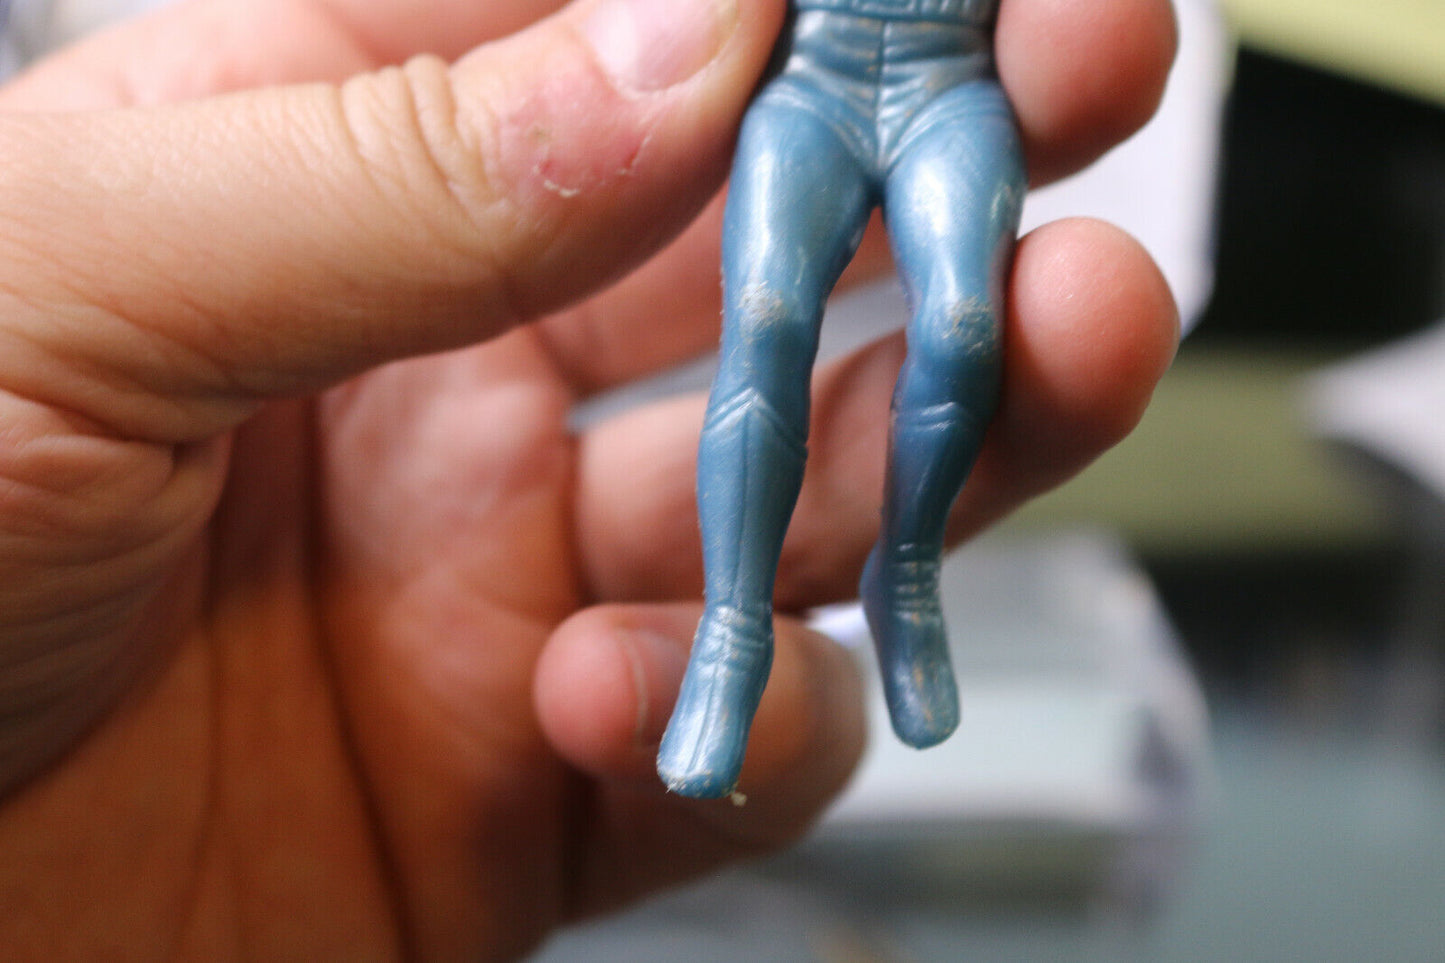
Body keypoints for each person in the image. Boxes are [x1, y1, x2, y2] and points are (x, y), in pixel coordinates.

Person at [0, 0, 1179, 959]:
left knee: (966, 328)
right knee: (765, 318)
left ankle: (903, 575)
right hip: (808, 84)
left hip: (945, 84)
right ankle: (729, 629)